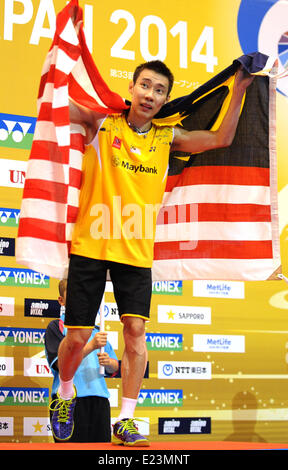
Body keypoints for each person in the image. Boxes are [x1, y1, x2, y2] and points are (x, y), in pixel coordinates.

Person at [50, 59, 254, 446]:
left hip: (136, 250)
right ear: (131, 88)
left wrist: (240, 90)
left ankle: (125, 420)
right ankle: (63, 393)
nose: (150, 95)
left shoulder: (167, 136)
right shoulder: (102, 122)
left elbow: (219, 139)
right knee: (76, 337)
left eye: (159, 90)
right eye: (145, 86)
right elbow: (59, 104)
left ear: (164, 100)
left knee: (136, 332)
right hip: (91, 243)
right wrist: (63, 61)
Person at [45, 279, 119, 442]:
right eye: (73, 296)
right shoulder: (56, 327)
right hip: (68, 402)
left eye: (84, 295)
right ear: (61, 300)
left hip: (99, 399)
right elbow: (60, 364)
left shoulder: (97, 330)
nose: (79, 299)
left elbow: (114, 367)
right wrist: (91, 346)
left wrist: (108, 363)